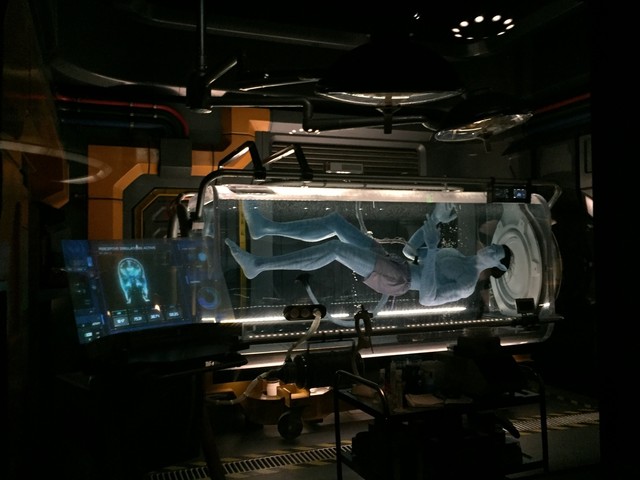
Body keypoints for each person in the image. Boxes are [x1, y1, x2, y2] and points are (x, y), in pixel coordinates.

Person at [225, 201, 511, 308]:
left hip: (398, 280)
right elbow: (410, 251)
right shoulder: (457, 256)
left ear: (496, 267)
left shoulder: (466, 283)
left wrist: (434, 248)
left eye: (496, 253)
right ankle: (264, 228)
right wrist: (434, 219)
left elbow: (427, 298)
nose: (491, 248)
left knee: (336, 249)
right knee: (335, 222)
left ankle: (258, 265)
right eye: (496, 246)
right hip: (396, 262)